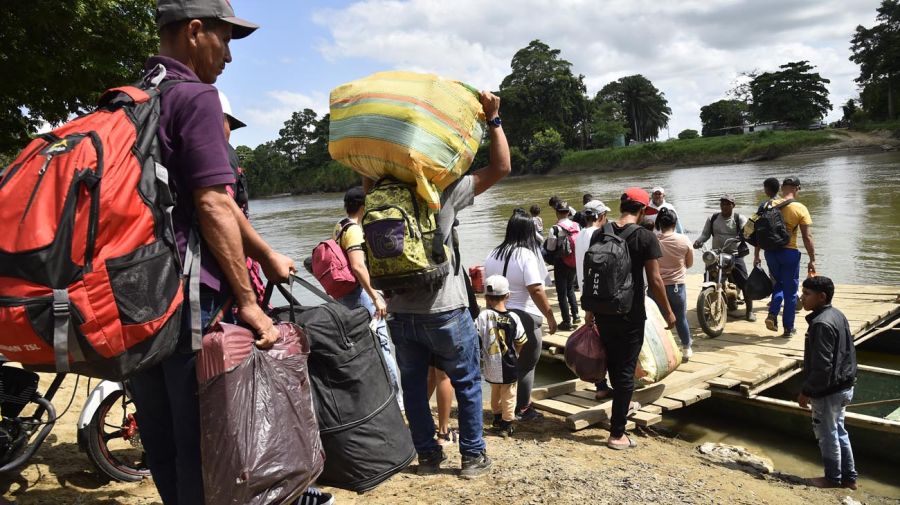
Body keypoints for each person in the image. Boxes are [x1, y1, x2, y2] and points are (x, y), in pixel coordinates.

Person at [127, 3, 311, 504]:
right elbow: (212, 202)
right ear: (193, 32)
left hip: (134, 298)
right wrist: (249, 302)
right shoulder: (195, 96)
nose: (228, 55)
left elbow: (217, 200)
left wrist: (266, 250)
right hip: (188, 303)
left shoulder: (131, 98)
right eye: (225, 40)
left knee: (161, 443)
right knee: (202, 446)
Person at [383, 91, 511, 479]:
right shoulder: (443, 192)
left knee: (413, 388)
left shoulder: (378, 192)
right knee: (467, 383)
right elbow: (501, 167)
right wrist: (493, 119)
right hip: (446, 310)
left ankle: (427, 457)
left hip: (400, 313)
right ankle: (472, 457)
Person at [584, 187, 675, 450]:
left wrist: (590, 310)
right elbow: (656, 280)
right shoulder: (645, 237)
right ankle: (617, 434)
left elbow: (592, 274)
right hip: (629, 311)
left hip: (602, 309)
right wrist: (668, 313)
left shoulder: (601, 232)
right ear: (644, 211)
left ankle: (620, 406)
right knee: (625, 370)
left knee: (614, 361)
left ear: (622, 206)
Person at [484, 212, 557, 422]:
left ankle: (500, 408)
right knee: (526, 365)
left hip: (497, 315)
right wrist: (550, 316)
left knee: (502, 364)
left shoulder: (493, 253)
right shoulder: (526, 255)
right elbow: (535, 289)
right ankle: (523, 408)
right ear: (528, 232)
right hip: (524, 316)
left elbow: (487, 285)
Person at [334, 186, 403, 409]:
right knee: (382, 345)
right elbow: (357, 266)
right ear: (363, 207)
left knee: (362, 346)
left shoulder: (340, 226)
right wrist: (376, 297)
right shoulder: (354, 229)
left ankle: (373, 397)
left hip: (345, 296)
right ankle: (397, 400)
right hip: (361, 295)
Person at [797, 276, 857, 490]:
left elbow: (822, 366)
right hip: (844, 384)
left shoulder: (821, 323)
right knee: (839, 430)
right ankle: (849, 478)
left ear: (822, 297)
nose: (802, 298)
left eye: (806, 294)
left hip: (828, 389)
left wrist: (806, 390)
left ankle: (832, 478)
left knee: (827, 434)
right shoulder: (837, 315)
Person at [754, 177, 816, 337]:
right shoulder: (800, 208)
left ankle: (773, 314)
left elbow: (758, 231)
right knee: (790, 291)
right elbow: (807, 237)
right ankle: (788, 328)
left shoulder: (767, 205)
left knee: (778, 285)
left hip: (770, 253)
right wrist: (812, 259)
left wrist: (756, 255)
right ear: (797, 189)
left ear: (782, 188)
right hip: (789, 253)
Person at [476, 275, 528, 437]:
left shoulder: (483, 316)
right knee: (509, 394)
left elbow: (475, 336)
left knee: (495, 392)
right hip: (509, 364)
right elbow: (520, 340)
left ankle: (497, 417)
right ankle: (507, 423)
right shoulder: (514, 317)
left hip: (491, 365)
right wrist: (516, 353)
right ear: (507, 295)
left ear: (486, 297)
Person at [573, 199, 614, 398]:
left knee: (596, 340)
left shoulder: (580, 234)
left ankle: (601, 385)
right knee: (605, 340)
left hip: (585, 292)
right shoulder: (597, 235)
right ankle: (611, 384)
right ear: (599, 216)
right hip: (597, 293)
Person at [693, 194, 755, 322]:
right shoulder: (713, 218)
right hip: (716, 254)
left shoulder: (739, 218)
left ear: (733, 205)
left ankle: (749, 311)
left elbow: (747, 233)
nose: (725, 206)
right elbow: (705, 235)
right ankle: (705, 306)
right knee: (708, 279)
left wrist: (745, 235)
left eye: (728, 204)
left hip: (734, 254)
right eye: (723, 203)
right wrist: (698, 241)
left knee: (745, 282)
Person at [654, 208, 695, 358]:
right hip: (677, 286)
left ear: (659, 223)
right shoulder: (683, 240)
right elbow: (689, 263)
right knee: (680, 317)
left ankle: (661, 351)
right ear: (675, 223)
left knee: (658, 320)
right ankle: (686, 347)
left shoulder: (654, 241)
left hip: (656, 287)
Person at [546, 200, 581, 330]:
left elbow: (550, 248)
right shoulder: (577, 226)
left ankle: (567, 322)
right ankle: (576, 315)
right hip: (574, 261)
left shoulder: (555, 229)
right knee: (570, 288)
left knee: (561, 293)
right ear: (568, 212)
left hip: (561, 262)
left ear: (557, 212)